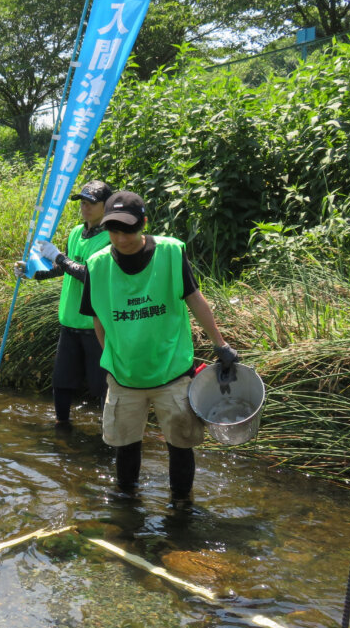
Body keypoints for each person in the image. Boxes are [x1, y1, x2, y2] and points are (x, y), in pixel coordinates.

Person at [78, 190, 240, 500]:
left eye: (128, 229)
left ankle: (181, 509)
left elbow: (194, 298)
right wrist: (112, 355)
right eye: (114, 230)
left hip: (173, 373)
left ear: (144, 223)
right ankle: (128, 509)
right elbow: (98, 317)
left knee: (181, 445)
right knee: (125, 449)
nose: (121, 238)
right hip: (124, 377)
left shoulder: (170, 253)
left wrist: (220, 344)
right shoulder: (97, 266)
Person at [18, 180, 113, 427]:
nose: (84, 207)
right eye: (82, 202)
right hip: (69, 321)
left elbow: (89, 274)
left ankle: (110, 434)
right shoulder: (74, 233)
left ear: (106, 206)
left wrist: (59, 255)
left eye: (91, 203)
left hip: (96, 326)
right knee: (61, 381)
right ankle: (62, 427)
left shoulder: (110, 239)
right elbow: (63, 268)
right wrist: (34, 272)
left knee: (101, 385)